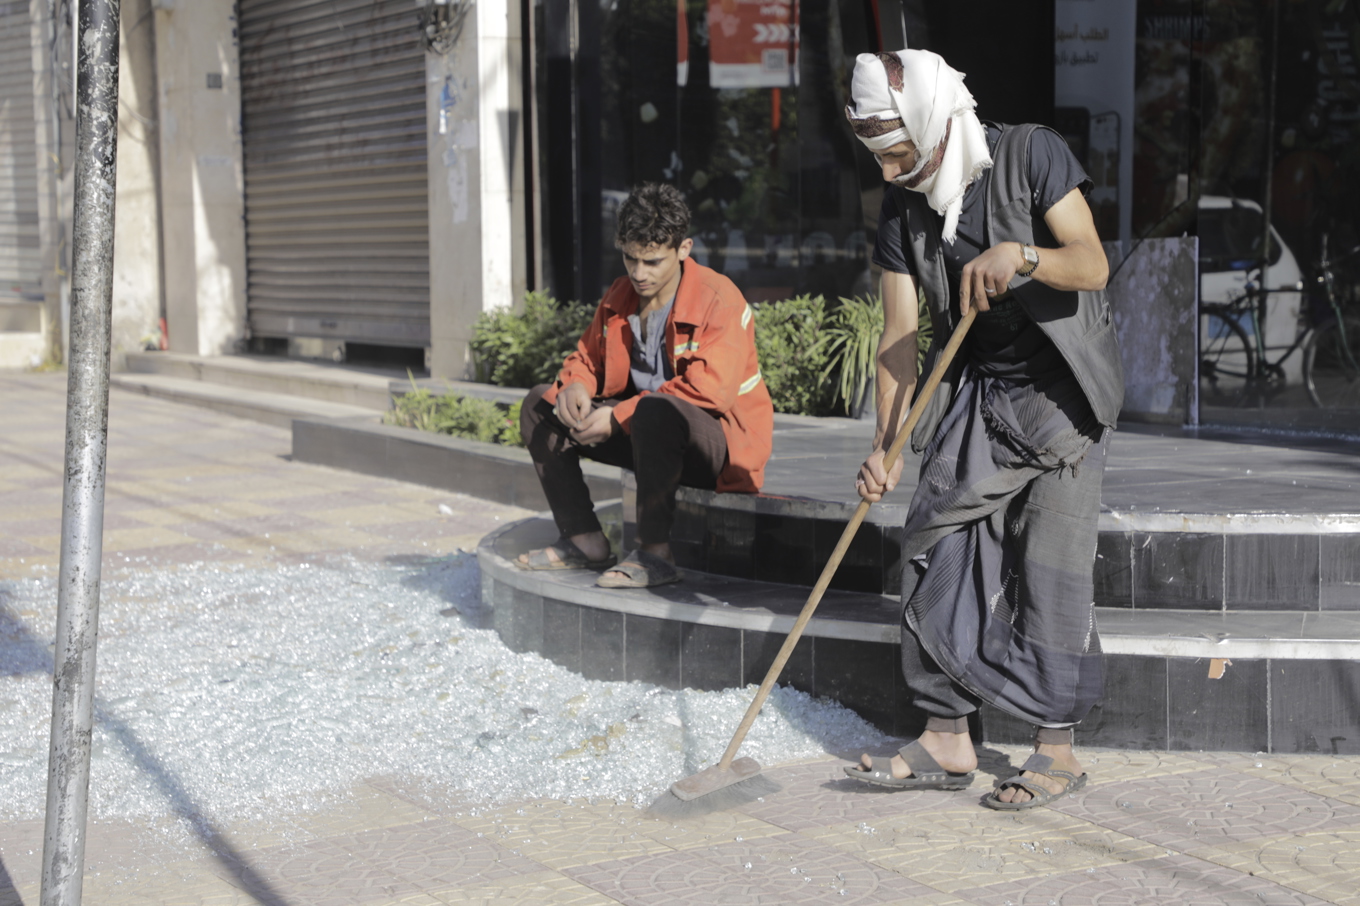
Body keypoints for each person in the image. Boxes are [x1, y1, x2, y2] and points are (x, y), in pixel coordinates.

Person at [841, 50, 1124, 809]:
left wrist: (1023, 255)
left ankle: (1054, 749)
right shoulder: (903, 211)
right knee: (934, 537)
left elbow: (1092, 263)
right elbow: (900, 337)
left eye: (899, 150)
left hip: (1063, 396)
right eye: (880, 157)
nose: (894, 168)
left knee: (1052, 567)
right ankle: (946, 735)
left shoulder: (1030, 154)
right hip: (983, 393)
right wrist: (885, 445)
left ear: (932, 119)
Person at [515, 182, 774, 588]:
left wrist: (616, 417)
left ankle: (656, 555)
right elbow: (585, 358)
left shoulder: (719, 298)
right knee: (538, 405)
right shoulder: (621, 294)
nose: (638, 273)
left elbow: (712, 392)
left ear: (683, 249)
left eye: (652, 261)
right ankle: (584, 541)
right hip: (648, 438)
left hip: (719, 451)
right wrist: (575, 388)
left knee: (655, 408)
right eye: (630, 258)